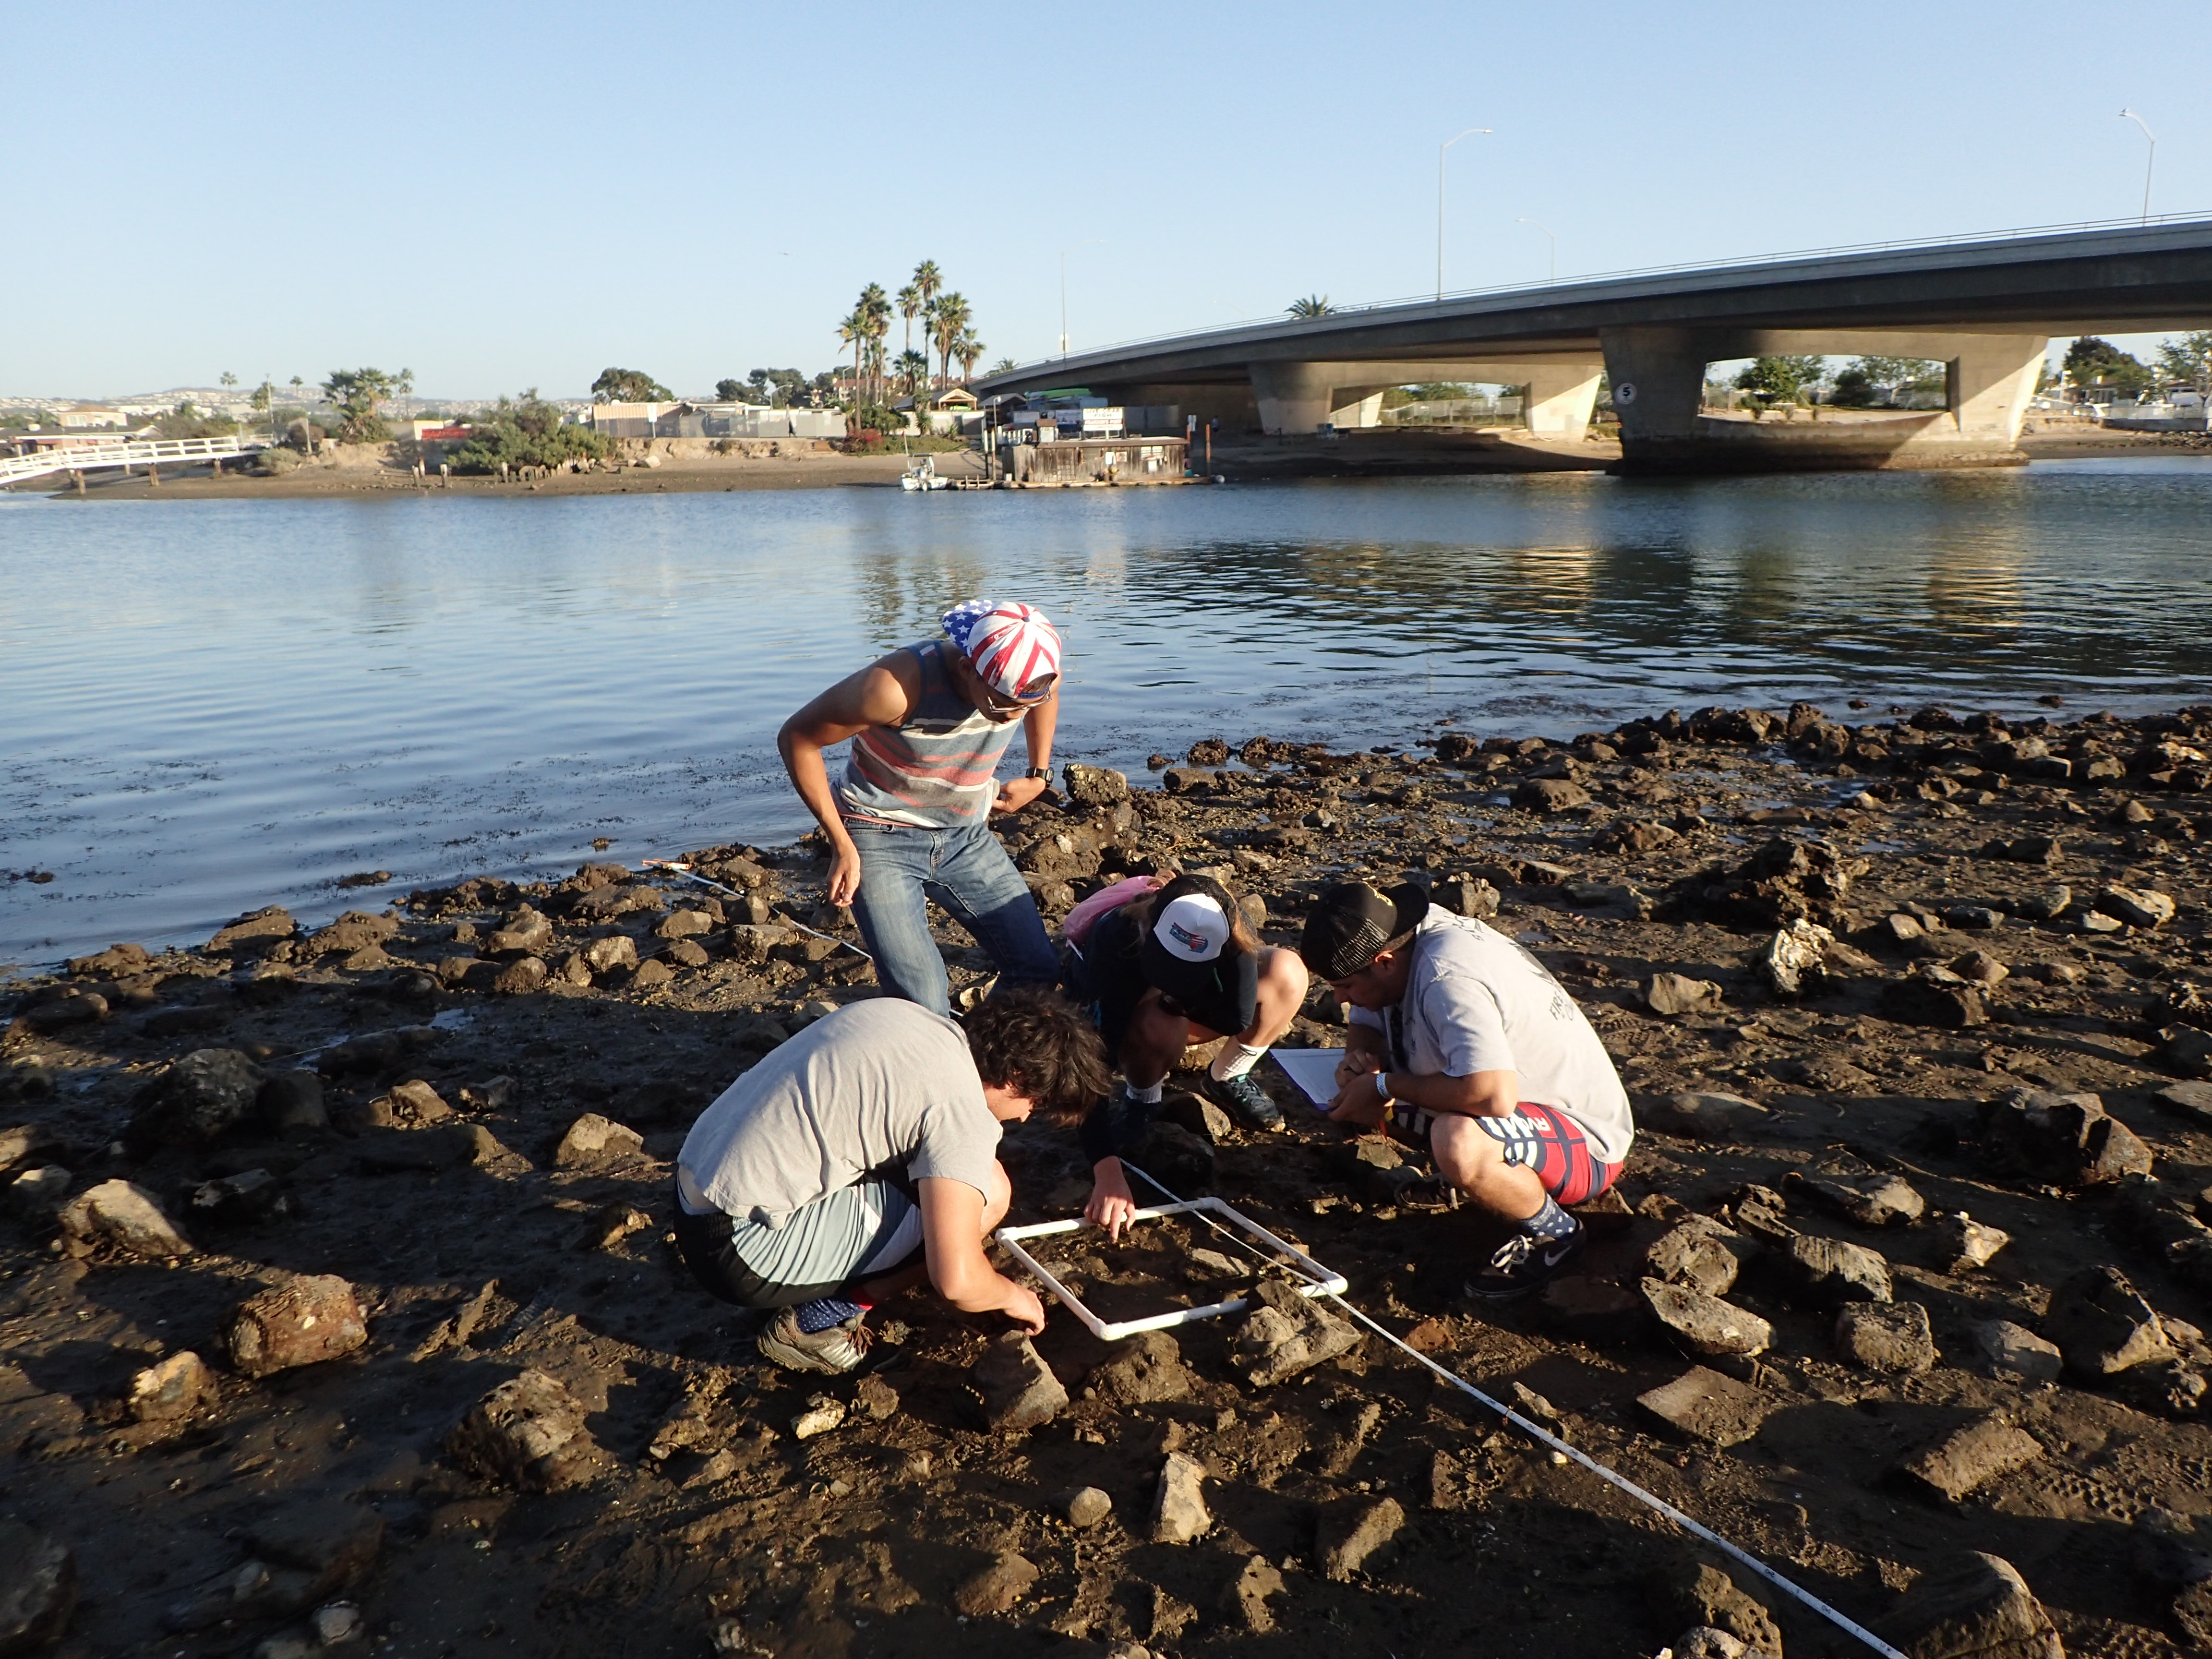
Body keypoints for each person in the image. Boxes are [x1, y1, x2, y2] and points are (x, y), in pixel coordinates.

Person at [673, 987, 1111, 1373]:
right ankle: (819, 1324)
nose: (1027, 1115)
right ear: (1015, 1078)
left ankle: (821, 1272)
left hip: (694, 1185)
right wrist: (1011, 1295)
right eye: (1036, 1101)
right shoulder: (961, 1110)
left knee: (946, 1180)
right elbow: (956, 1279)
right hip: (740, 1251)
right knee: (990, 1193)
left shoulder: (904, 1014)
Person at [1298, 880, 1634, 1298]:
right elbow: (1365, 1023)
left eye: (1346, 987)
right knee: (1379, 1100)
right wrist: (1364, 1062)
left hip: (1585, 1144)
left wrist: (1383, 1083)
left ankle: (1557, 1234)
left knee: (1457, 1141)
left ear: (1384, 962)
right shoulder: (1406, 942)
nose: (1343, 999)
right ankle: (1464, 1180)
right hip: (1524, 1112)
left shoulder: (1448, 979)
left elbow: (1492, 1095)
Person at [778, 599, 1065, 1015]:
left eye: (1025, 705)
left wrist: (1039, 775)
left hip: (965, 832)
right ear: (969, 670)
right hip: (878, 836)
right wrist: (841, 843)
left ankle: (980, 1060)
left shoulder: (1033, 671)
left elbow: (1047, 694)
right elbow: (798, 738)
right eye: (1005, 705)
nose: (1013, 717)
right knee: (923, 1003)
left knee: (1037, 971)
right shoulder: (893, 689)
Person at [1069, 871, 1310, 1238]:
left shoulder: (1231, 934)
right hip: (1125, 1004)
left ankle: (1227, 1077)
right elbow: (1091, 1063)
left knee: (1287, 972)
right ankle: (1143, 1099)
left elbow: (1238, 1017)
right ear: (1153, 925)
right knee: (1156, 1025)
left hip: (1186, 1004)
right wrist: (1107, 1169)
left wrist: (1180, 1003)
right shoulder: (1115, 939)